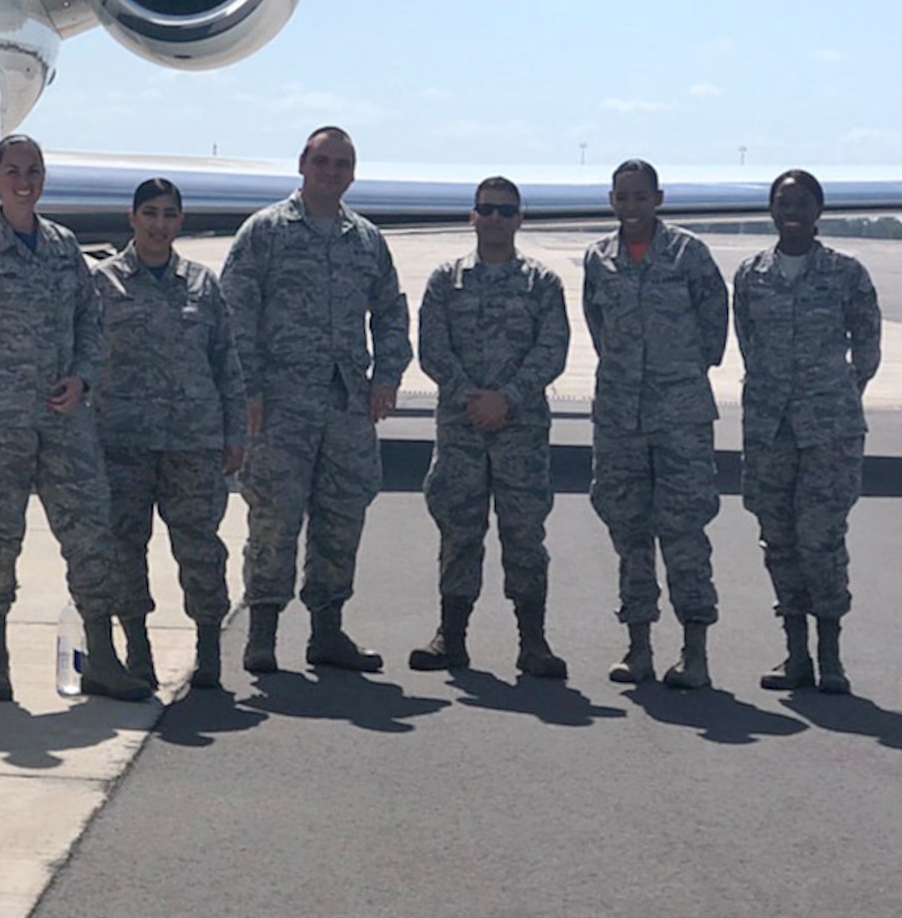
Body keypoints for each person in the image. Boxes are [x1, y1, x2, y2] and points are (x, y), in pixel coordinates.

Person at [0, 133, 150, 704]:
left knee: (89, 532)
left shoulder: (62, 247)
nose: (25, 182)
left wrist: (82, 379)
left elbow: (91, 325)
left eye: (34, 171)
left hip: (62, 423)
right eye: (14, 171)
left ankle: (101, 656)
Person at [221, 126, 411, 674]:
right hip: (279, 407)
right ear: (302, 164)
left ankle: (327, 631)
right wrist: (248, 390)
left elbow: (391, 310)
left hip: (346, 404)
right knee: (274, 520)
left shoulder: (366, 239)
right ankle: (262, 633)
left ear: (352, 173)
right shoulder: (265, 232)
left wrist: (388, 374)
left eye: (342, 164)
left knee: (342, 516)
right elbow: (235, 314)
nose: (331, 172)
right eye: (322, 161)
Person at [91, 178, 249, 691]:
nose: (160, 224)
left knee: (200, 547)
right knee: (123, 548)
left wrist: (234, 432)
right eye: (151, 213)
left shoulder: (203, 285)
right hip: (122, 441)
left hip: (192, 442)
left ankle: (208, 648)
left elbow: (227, 363)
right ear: (132, 219)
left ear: (180, 222)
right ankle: (137, 649)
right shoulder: (103, 283)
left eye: (169, 215)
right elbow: (82, 355)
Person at [410, 177, 571, 678]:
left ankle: (533, 642)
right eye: (487, 210)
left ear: (520, 219)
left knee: (524, 535)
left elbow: (552, 351)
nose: (496, 219)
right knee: (459, 532)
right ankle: (450, 638)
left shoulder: (542, 284)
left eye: (506, 211)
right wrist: (471, 398)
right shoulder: (445, 280)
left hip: (520, 432)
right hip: (461, 431)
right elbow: (433, 349)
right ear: (472, 216)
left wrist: (507, 399)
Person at [732, 169, 881, 695]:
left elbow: (867, 346)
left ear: (819, 210)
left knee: (822, 539)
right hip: (770, 429)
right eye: (781, 202)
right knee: (779, 540)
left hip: (829, 431)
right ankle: (796, 654)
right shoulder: (751, 274)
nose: (790, 210)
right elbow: (747, 342)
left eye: (800, 202)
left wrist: (835, 396)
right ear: (771, 210)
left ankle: (831, 656)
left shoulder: (846, 274)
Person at [581, 158, 729, 689]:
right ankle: (638, 646)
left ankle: (695, 652)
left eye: (641, 197)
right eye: (623, 198)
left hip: (680, 416)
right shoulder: (599, 259)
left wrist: (680, 373)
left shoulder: (689, 254)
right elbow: (598, 327)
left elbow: (715, 324)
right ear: (611, 201)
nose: (632, 207)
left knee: (685, 528)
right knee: (628, 528)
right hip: (621, 417)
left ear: (658, 199)